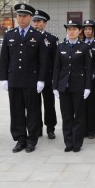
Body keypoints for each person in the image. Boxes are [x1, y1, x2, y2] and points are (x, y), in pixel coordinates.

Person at [0, 3, 47, 153]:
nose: (21, 18)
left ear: (31, 18)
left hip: (31, 80)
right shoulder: (10, 35)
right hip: (14, 79)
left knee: (32, 111)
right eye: (19, 15)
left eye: (25, 16)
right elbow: (4, 58)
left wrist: (41, 79)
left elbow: (43, 61)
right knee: (16, 110)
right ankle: (20, 138)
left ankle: (32, 139)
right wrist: (3, 78)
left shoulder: (38, 36)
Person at [52, 20, 93, 152]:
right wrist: (55, 86)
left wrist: (88, 87)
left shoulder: (85, 47)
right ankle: (68, 142)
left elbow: (88, 69)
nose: (72, 32)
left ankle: (77, 143)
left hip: (79, 86)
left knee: (79, 116)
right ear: (67, 31)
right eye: (69, 29)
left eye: (74, 29)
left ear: (79, 31)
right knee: (66, 116)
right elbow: (57, 68)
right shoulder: (61, 47)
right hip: (64, 86)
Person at [32, 10, 58, 139]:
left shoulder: (52, 39)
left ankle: (50, 128)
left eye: (39, 22)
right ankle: (37, 128)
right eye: (34, 21)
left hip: (47, 77)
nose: (36, 24)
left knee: (49, 104)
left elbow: (55, 61)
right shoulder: (29, 37)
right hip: (33, 77)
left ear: (45, 23)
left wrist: (55, 79)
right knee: (34, 105)